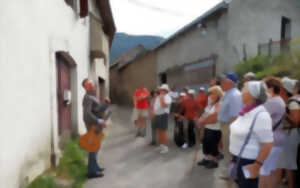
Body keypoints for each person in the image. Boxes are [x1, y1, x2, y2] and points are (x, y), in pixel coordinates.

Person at [230, 81, 273, 188]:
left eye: (244, 89)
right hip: (238, 158)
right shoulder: (246, 111)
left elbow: (268, 144)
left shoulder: (261, 115)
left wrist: (257, 165)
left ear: (252, 94)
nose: (241, 92)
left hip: (248, 162)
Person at [258, 77, 286, 188]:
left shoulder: (272, 102)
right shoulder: (279, 100)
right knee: (271, 171)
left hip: (271, 142)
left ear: (271, 88)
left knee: (264, 172)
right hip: (278, 139)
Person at [82, 78, 109, 179]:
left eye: (91, 83)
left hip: (97, 126)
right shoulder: (88, 97)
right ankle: (91, 172)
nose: (91, 85)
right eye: (88, 84)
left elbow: (97, 110)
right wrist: (98, 121)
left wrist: (105, 104)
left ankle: (94, 167)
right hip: (93, 125)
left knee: (96, 147)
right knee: (93, 148)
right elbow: (87, 114)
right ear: (85, 87)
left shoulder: (93, 96)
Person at [218, 73, 243, 183]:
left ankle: (235, 176)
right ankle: (231, 173)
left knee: (231, 151)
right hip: (225, 125)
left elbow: (235, 116)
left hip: (230, 126)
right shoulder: (227, 94)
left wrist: (233, 132)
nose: (221, 83)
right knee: (227, 151)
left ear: (230, 83)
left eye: (224, 81)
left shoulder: (234, 95)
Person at [277, 77, 300, 188]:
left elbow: (296, 121)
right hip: (288, 134)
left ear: (284, 90)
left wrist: (284, 113)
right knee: (286, 162)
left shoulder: (292, 103)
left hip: (291, 134)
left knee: (289, 163)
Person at [197, 86, 223, 169]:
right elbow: (205, 114)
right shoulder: (211, 104)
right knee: (205, 144)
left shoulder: (219, 104)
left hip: (215, 129)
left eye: (213, 93)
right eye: (210, 93)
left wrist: (203, 121)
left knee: (213, 146)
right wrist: (201, 119)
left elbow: (215, 118)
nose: (210, 95)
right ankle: (206, 159)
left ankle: (214, 161)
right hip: (207, 128)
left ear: (218, 95)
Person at [153, 84, 172, 154]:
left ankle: (165, 147)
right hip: (158, 115)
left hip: (163, 115)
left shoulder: (167, 97)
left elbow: (164, 105)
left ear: (165, 90)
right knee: (158, 131)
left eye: (161, 89)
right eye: (160, 89)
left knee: (163, 132)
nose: (160, 90)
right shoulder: (160, 96)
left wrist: (161, 98)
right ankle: (161, 146)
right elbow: (156, 106)